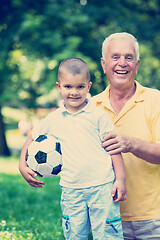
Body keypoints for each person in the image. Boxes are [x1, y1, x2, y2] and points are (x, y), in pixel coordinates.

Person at [19, 58, 126, 240]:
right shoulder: (54, 119)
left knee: (108, 235)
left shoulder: (98, 116)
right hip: (71, 190)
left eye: (80, 87)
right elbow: (31, 139)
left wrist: (121, 179)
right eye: (68, 87)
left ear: (89, 86)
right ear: (59, 87)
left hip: (102, 187)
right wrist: (22, 165)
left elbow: (113, 149)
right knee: (75, 235)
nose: (74, 92)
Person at [91, 32, 160, 239]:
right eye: (115, 57)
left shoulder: (155, 100)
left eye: (129, 57)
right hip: (106, 218)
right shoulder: (89, 107)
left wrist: (129, 143)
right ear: (104, 64)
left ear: (137, 65)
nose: (122, 63)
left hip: (153, 219)